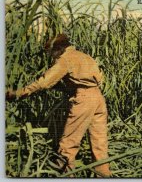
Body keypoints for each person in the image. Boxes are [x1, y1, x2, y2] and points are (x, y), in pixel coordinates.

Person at [6, 34, 111, 177]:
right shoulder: (84, 56)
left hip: (83, 100)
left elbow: (44, 82)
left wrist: (18, 93)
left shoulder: (65, 59)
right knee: (100, 142)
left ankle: (65, 175)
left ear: (59, 49)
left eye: (51, 52)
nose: (51, 56)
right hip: (98, 98)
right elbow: (93, 79)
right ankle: (103, 175)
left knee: (69, 142)